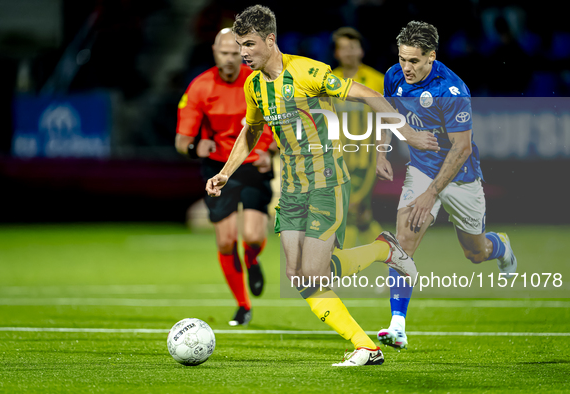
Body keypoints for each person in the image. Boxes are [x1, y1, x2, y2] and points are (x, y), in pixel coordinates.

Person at [205, 5, 439, 366]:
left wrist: (406, 134)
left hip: (327, 183)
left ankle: (380, 264)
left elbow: (367, 94)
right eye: (239, 45)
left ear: (270, 40)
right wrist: (226, 171)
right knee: (298, 276)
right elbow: (251, 130)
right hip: (293, 189)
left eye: (249, 44)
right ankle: (368, 337)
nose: (243, 53)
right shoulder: (253, 86)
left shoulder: (307, 71)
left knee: (314, 273)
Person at [375, 21, 518, 350]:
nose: (405, 68)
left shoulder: (451, 90)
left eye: (414, 61)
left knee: (475, 252)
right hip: (422, 170)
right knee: (402, 244)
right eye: (402, 59)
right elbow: (386, 113)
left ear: (431, 57)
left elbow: (461, 149)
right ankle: (397, 326)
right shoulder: (394, 75)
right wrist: (381, 151)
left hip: (460, 176)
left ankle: (500, 246)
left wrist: (431, 193)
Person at [176, 28, 275, 327]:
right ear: (215, 52)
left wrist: (269, 149)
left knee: (255, 236)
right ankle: (243, 306)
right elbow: (182, 141)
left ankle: (253, 259)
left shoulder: (258, 81)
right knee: (226, 241)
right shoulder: (199, 87)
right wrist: (195, 148)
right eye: (225, 52)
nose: (231, 58)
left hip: (253, 162)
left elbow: (276, 119)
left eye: (236, 52)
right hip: (219, 168)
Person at [331, 27, 385, 248]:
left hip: (365, 159)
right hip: (336, 159)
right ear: (336, 53)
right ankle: (396, 264)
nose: (348, 53)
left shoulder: (376, 80)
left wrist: (382, 154)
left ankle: (341, 270)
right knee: (361, 217)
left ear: (361, 51)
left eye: (353, 47)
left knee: (349, 210)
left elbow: (386, 121)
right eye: (343, 48)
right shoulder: (328, 81)